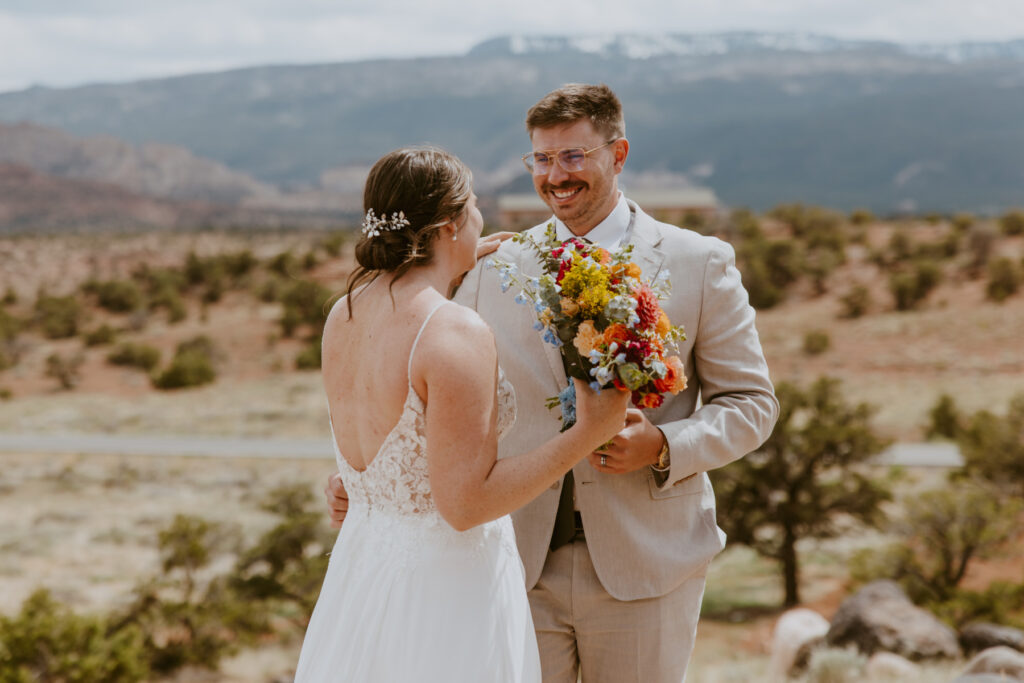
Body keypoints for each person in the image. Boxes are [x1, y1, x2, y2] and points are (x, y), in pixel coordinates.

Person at [326, 84, 779, 682]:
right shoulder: (485, 268)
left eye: (573, 157)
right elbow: (404, 382)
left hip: (647, 565)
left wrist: (666, 447)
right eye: (541, 158)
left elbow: (752, 404)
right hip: (514, 563)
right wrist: (362, 478)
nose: (555, 176)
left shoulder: (700, 262)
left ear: (617, 155)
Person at [294, 146, 629, 682]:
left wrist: (456, 264)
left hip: (363, 571)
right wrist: (589, 432)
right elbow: (466, 504)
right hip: (446, 589)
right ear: (450, 224)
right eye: (473, 206)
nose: (481, 217)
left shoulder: (347, 311)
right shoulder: (453, 331)